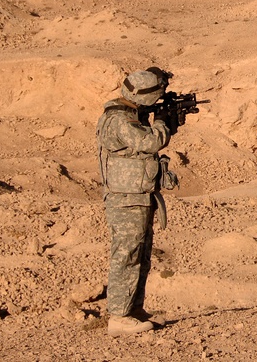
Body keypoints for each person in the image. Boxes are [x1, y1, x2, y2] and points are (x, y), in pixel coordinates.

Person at [96, 67, 175, 335]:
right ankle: (118, 316)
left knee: (140, 254)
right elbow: (151, 142)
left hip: (137, 196)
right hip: (126, 200)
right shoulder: (119, 120)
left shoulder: (129, 114)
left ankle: (133, 309)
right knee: (127, 255)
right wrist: (163, 122)